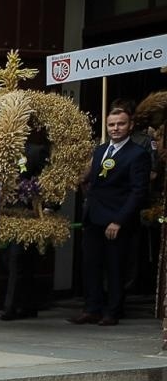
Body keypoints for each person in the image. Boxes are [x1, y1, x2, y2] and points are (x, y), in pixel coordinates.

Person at [71, 104, 152, 327]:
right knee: (91, 265)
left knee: (115, 267)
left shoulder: (138, 154)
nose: (115, 128)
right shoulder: (100, 150)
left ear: (131, 125)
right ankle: (92, 308)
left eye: (121, 124)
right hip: (93, 218)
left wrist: (119, 220)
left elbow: (138, 192)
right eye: (111, 124)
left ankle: (112, 311)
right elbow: (94, 183)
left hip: (117, 220)